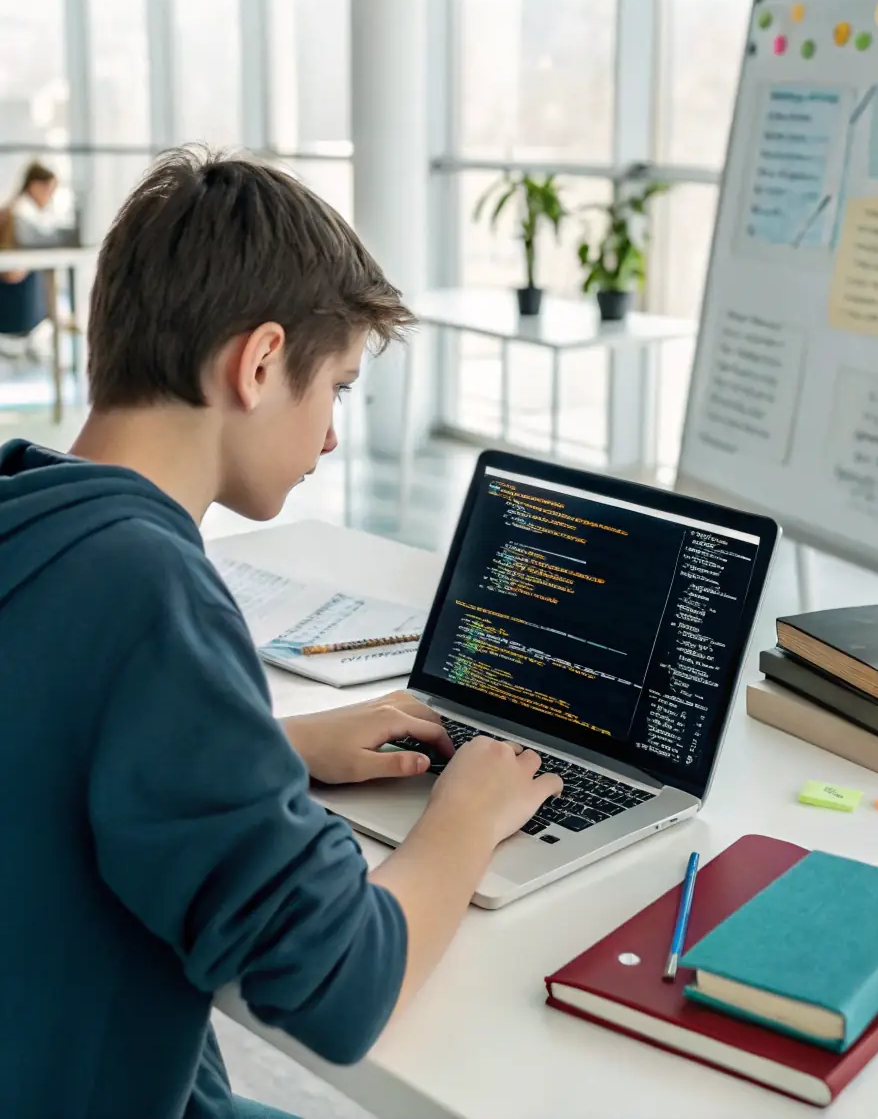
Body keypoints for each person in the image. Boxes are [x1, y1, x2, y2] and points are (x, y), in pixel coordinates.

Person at [0, 148, 562, 1119]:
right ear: (258, 363)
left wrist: (271, 745)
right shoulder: (149, 594)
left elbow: (43, 732)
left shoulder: (32, 510)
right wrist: (465, 817)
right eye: (337, 387)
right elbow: (340, 985)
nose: (334, 435)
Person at [0, 161, 58, 354]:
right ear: (34, 186)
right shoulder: (18, 214)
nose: (50, 197)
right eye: (49, 190)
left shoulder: (13, 211)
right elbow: (12, 273)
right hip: (15, 310)